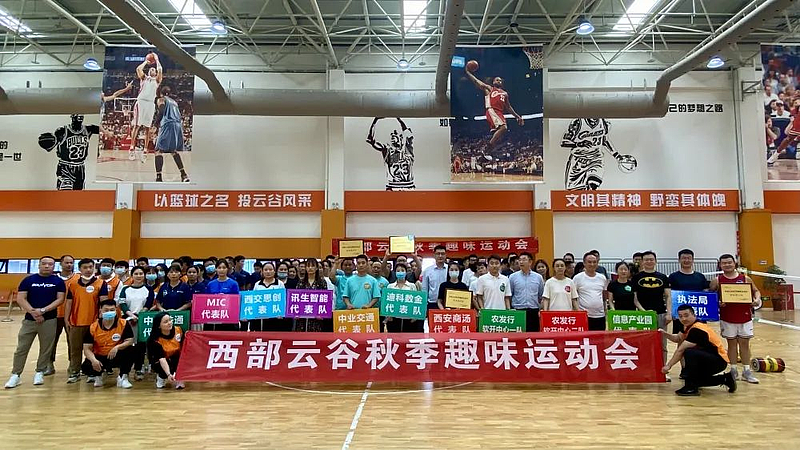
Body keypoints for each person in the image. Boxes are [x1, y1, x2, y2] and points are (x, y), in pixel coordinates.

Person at [5, 256, 65, 389]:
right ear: (39, 265)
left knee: (46, 348)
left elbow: (60, 299)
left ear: (54, 266)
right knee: (21, 348)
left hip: (49, 320)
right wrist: (33, 312)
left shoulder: (58, 281)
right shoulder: (28, 280)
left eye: (50, 264)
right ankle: (16, 375)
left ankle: (39, 372)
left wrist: (43, 310)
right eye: (44, 263)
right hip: (29, 320)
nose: (47, 266)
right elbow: (21, 298)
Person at [661, 305, 737, 396]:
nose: (683, 319)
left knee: (689, 352)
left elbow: (681, 350)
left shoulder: (697, 329)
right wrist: (664, 334)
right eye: (680, 316)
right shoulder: (687, 325)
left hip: (718, 361)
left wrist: (668, 366)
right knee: (696, 380)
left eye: (686, 315)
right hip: (707, 358)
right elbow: (677, 338)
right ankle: (726, 379)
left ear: (694, 315)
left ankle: (691, 388)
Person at [709, 254, 761, 384]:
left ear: (734, 263)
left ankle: (747, 371)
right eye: (724, 263)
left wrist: (757, 299)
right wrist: (717, 302)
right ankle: (733, 370)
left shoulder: (745, 278)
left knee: (744, 344)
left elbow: (756, 291)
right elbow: (710, 296)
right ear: (720, 265)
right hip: (727, 317)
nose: (727, 265)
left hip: (745, 316)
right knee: (731, 344)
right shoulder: (717, 280)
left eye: (729, 262)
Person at [64, 258, 108, 383]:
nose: (88, 270)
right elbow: (69, 303)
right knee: (75, 349)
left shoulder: (101, 283)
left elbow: (104, 303)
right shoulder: (73, 284)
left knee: (93, 349)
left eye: (90, 267)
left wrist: (102, 320)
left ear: (94, 268)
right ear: (80, 269)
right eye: (85, 267)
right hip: (76, 322)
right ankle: (74, 372)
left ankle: (91, 372)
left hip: (94, 323)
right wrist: (67, 319)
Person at [632, 251, 672, 380]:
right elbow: (635, 299)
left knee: (662, 344)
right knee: (643, 344)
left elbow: (668, 296)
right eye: (646, 260)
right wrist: (644, 312)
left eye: (651, 259)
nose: (649, 262)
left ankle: (663, 370)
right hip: (643, 316)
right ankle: (645, 370)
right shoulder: (636, 278)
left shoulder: (663, 277)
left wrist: (669, 313)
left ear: (655, 261)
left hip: (660, 314)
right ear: (642, 262)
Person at [464, 66, 524, 150]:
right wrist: (468, 73)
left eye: (500, 80)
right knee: (504, 128)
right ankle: (488, 147)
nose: (499, 81)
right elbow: (477, 81)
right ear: (493, 82)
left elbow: (508, 107)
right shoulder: (489, 89)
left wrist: (517, 116)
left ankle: (488, 150)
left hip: (499, 113)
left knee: (501, 134)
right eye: (497, 80)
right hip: (492, 110)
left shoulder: (505, 93)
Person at [81, 299, 135, 389]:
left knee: (131, 350)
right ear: (100, 311)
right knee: (86, 366)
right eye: (106, 310)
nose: (109, 312)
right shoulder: (93, 327)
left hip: (116, 355)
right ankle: (98, 376)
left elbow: (130, 340)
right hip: (100, 356)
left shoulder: (123, 323)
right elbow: (87, 348)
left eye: (112, 310)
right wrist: (94, 360)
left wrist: (117, 347)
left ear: (116, 310)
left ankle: (123, 377)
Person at [38, 114, 100, 190]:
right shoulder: (62, 131)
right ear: (72, 117)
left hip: (80, 168)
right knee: (65, 193)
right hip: (65, 167)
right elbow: (50, 148)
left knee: (78, 194)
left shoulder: (88, 129)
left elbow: (102, 130)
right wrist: (48, 143)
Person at [118, 266, 154, 380]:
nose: (139, 276)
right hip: (127, 320)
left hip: (142, 320)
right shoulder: (125, 289)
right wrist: (130, 315)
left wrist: (139, 315)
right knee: (128, 345)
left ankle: (139, 368)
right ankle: (125, 371)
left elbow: (148, 304)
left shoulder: (148, 289)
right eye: (136, 274)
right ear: (132, 275)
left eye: (141, 274)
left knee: (141, 345)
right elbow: (122, 303)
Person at [366, 117, 416, 190]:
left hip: (408, 186)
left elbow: (408, 134)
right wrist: (375, 120)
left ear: (401, 137)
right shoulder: (387, 150)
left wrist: (398, 118)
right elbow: (371, 140)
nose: (392, 135)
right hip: (393, 187)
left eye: (395, 133)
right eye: (392, 134)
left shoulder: (408, 150)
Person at [668, 249, 710, 334]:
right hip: (680, 314)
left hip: (698, 314)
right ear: (679, 260)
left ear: (693, 260)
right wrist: (672, 312)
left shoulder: (700, 276)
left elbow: (706, 294)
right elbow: (670, 296)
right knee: (680, 337)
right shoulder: (673, 277)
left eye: (689, 258)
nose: (686, 260)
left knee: (699, 336)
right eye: (684, 258)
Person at [153, 85, 190, 182]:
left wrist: (155, 124)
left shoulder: (162, 99)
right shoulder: (174, 102)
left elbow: (161, 110)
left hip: (168, 124)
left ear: (161, 93)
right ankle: (184, 175)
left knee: (158, 151)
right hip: (177, 125)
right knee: (173, 151)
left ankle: (159, 177)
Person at [130, 53, 162, 163]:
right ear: (148, 72)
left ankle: (145, 150)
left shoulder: (157, 80)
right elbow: (138, 69)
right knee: (137, 126)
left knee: (147, 128)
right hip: (141, 102)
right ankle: (132, 149)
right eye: (151, 69)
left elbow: (160, 69)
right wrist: (145, 62)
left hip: (150, 104)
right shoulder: (144, 78)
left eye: (154, 69)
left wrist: (157, 60)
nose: (153, 70)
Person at [51, 254, 78, 375]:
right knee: (51, 341)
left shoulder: (78, 278)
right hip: (54, 315)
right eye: (66, 262)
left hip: (72, 315)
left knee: (73, 342)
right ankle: (49, 363)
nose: (69, 265)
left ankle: (73, 364)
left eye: (71, 262)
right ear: (61, 264)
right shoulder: (53, 279)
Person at [147, 311, 185, 389]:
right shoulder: (154, 340)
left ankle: (179, 378)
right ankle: (161, 377)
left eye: (170, 320)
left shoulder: (178, 330)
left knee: (180, 359)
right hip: (161, 360)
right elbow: (162, 359)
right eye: (165, 322)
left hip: (176, 356)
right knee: (164, 368)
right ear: (159, 326)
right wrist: (168, 374)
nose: (169, 323)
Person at [573, 252, 610, 331]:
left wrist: (605, 309)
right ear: (584, 263)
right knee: (584, 338)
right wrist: (577, 311)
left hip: (600, 315)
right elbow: (573, 297)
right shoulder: (577, 278)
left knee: (600, 337)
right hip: (584, 315)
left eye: (594, 262)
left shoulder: (602, 278)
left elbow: (604, 295)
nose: (592, 264)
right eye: (589, 262)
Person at [508, 252, 545, 332]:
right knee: (518, 336)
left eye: (524, 260)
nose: (521, 262)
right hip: (518, 311)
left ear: (530, 262)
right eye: (520, 260)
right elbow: (510, 294)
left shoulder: (538, 277)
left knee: (533, 335)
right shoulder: (512, 277)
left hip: (533, 311)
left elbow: (540, 295)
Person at [253, 262, 291, 332]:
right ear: (262, 271)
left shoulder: (280, 284)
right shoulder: (257, 284)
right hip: (261, 315)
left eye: (270, 270)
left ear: (274, 271)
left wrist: (281, 313)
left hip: (275, 316)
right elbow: (254, 300)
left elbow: (283, 300)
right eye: (266, 270)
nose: (268, 272)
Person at [386, 263, 423, 332]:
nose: (400, 272)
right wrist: (388, 315)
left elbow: (415, 302)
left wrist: (415, 316)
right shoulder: (390, 286)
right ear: (395, 273)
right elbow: (387, 302)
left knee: (407, 336)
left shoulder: (412, 286)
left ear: (406, 272)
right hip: (394, 317)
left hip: (408, 317)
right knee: (394, 336)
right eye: (398, 271)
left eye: (402, 270)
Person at [421, 245, 448, 310]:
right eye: (438, 254)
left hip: (447, 303)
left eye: (442, 254)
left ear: (445, 255)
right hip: (432, 303)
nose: (440, 256)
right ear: (434, 255)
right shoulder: (427, 270)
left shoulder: (450, 269)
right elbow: (424, 289)